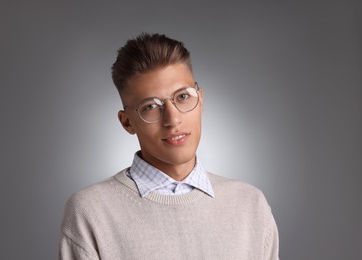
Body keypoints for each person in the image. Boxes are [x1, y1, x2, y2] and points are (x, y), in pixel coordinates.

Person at [59, 33, 279, 259]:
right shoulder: (91, 211)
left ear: (200, 100)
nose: (173, 119)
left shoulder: (250, 205)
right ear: (127, 122)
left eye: (183, 96)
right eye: (151, 106)